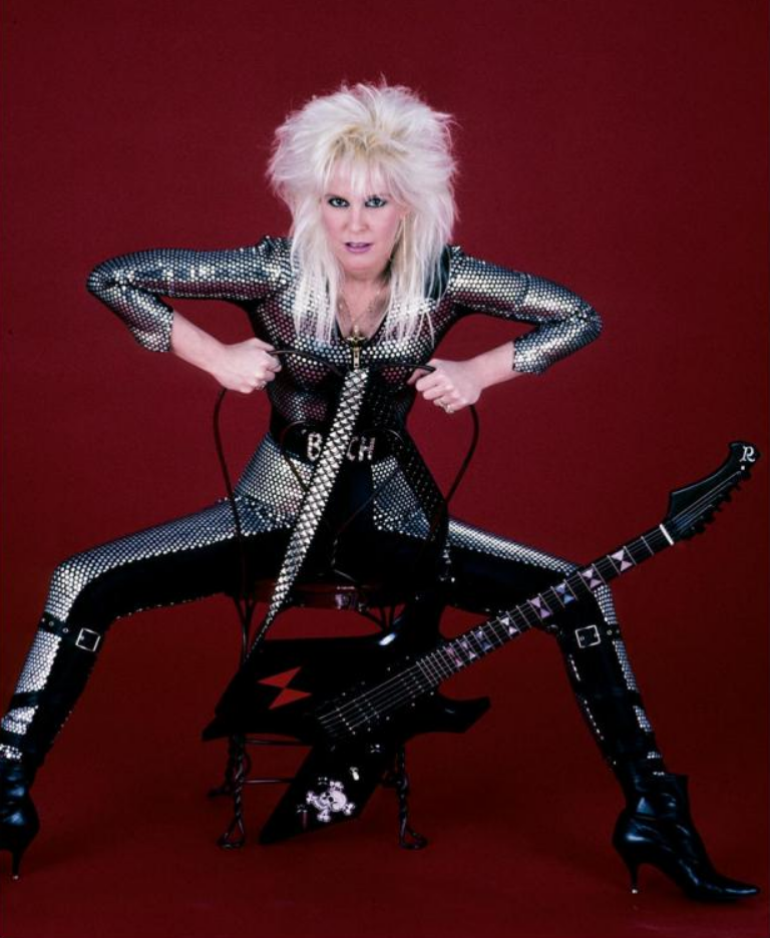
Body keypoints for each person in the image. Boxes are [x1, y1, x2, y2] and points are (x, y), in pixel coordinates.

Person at [0, 79, 758, 901]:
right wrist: (213, 356)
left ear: (410, 205)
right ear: (310, 202)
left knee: (582, 594)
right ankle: (6, 786)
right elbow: (114, 278)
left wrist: (482, 371)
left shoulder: (442, 280)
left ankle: (654, 811)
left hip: (395, 521)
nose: (355, 223)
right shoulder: (275, 274)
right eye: (337, 201)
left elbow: (577, 315)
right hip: (271, 513)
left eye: (376, 201)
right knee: (79, 580)